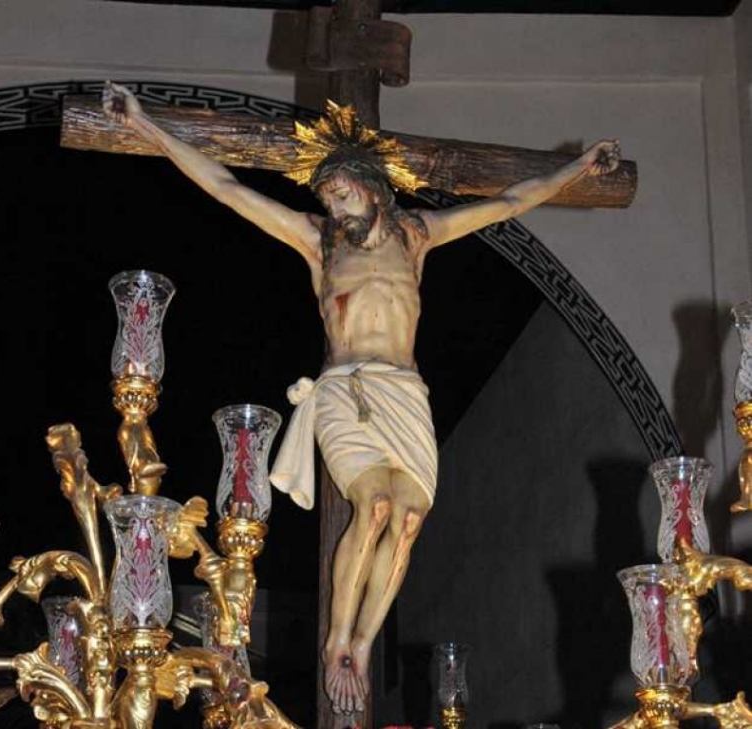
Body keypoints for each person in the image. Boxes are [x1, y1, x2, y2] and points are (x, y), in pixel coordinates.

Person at [101, 81, 621, 715]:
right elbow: (227, 188)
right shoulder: (318, 242)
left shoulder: (418, 236)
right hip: (346, 390)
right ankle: (335, 641)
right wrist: (147, 125)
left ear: (369, 184)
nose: (332, 204)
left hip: (404, 392)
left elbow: (510, 201)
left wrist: (578, 167)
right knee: (371, 506)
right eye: (325, 197)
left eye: (339, 191)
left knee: (405, 521)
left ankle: (363, 641)